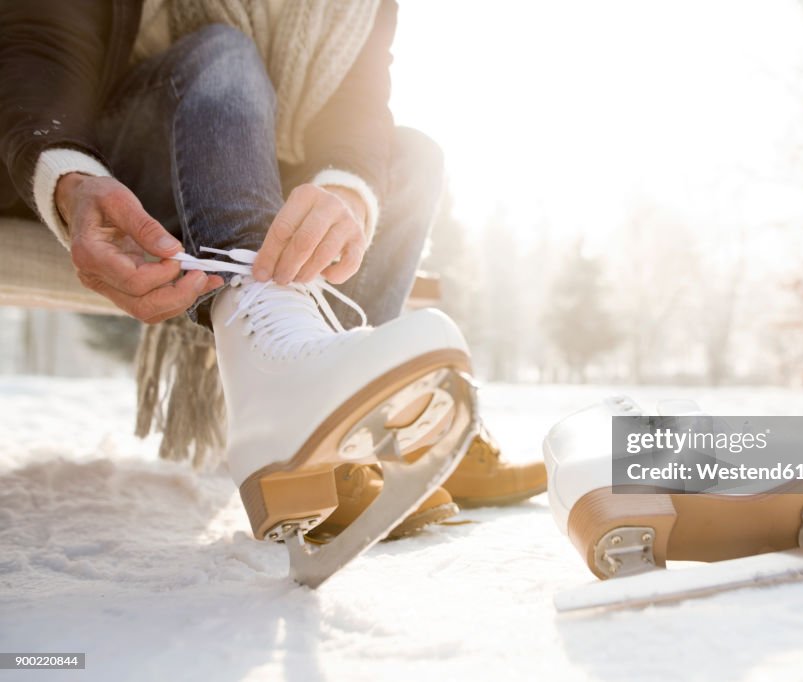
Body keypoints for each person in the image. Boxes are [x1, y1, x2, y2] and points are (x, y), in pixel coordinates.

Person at [0, 0, 546, 551]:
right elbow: (40, 43)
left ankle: (368, 435)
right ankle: (282, 385)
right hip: (118, 154)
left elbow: (359, 99)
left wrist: (345, 189)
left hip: (259, 158)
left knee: (415, 157)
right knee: (223, 49)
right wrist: (66, 175)